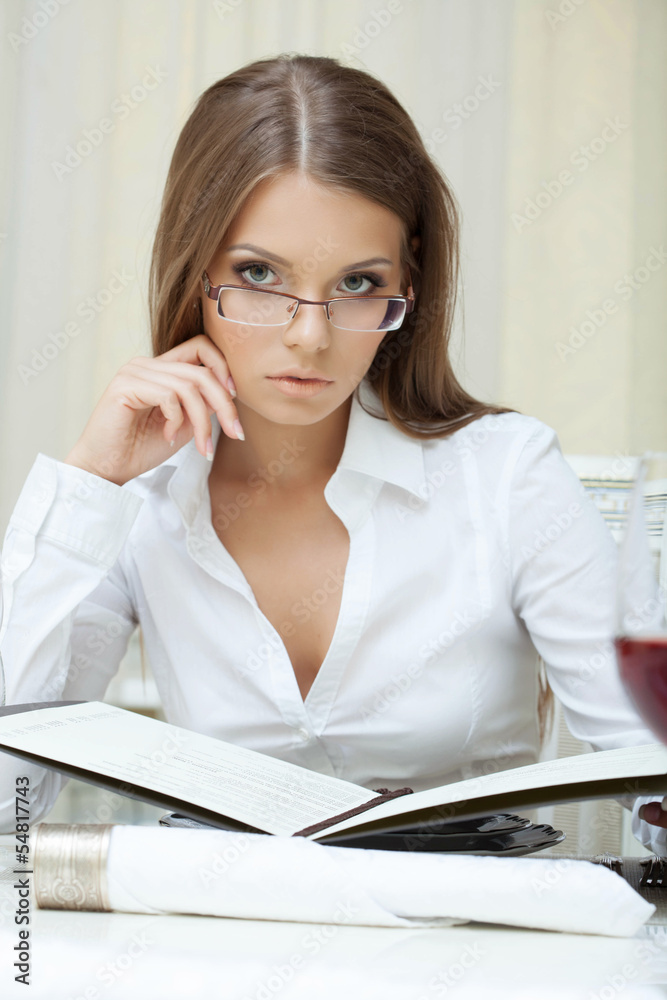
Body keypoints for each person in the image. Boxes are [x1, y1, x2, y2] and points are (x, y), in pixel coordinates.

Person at [0, 53, 665, 851]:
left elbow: (647, 768)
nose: (308, 336)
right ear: (194, 267)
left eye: (356, 283)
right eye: (257, 274)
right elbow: (10, 801)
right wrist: (88, 482)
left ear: (407, 286)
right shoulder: (136, 502)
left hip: (469, 948)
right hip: (220, 949)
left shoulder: (506, 475)